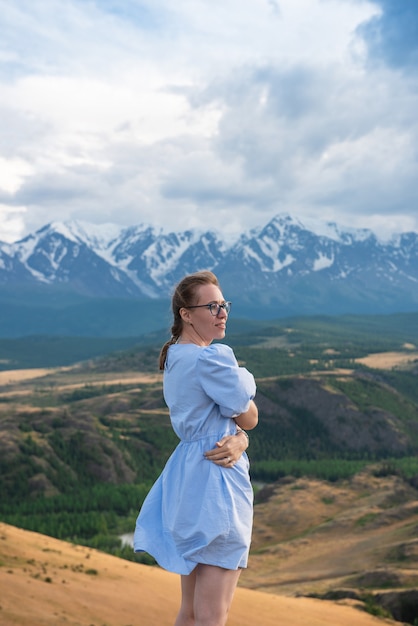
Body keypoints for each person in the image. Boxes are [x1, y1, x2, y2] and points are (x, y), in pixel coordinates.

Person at [134, 270, 258, 626]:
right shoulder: (213, 358)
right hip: (217, 483)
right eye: (211, 306)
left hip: (188, 478)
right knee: (212, 615)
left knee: (189, 610)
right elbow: (248, 413)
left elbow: (238, 420)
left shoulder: (175, 356)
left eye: (224, 305)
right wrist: (244, 375)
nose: (222, 313)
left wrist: (240, 435)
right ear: (186, 314)